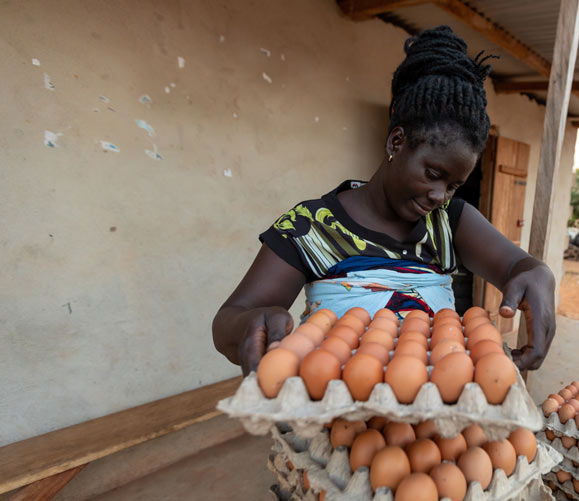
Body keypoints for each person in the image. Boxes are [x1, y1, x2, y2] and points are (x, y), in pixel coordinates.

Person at [212, 26, 556, 376]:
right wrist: (252, 322)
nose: (440, 196)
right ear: (396, 143)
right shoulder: (311, 227)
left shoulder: (450, 223)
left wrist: (538, 274)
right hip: (335, 418)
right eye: (433, 174)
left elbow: (519, 268)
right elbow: (228, 319)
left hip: (433, 420)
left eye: (454, 185)